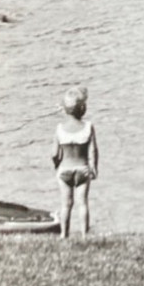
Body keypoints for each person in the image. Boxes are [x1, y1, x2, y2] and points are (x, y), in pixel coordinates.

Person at [51, 86, 98, 238]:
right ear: (82, 109)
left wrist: (56, 164)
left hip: (65, 170)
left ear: (64, 110)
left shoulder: (59, 129)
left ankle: (64, 235)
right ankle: (84, 235)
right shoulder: (88, 127)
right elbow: (93, 150)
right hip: (83, 169)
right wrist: (94, 167)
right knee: (82, 203)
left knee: (66, 205)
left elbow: (54, 153)